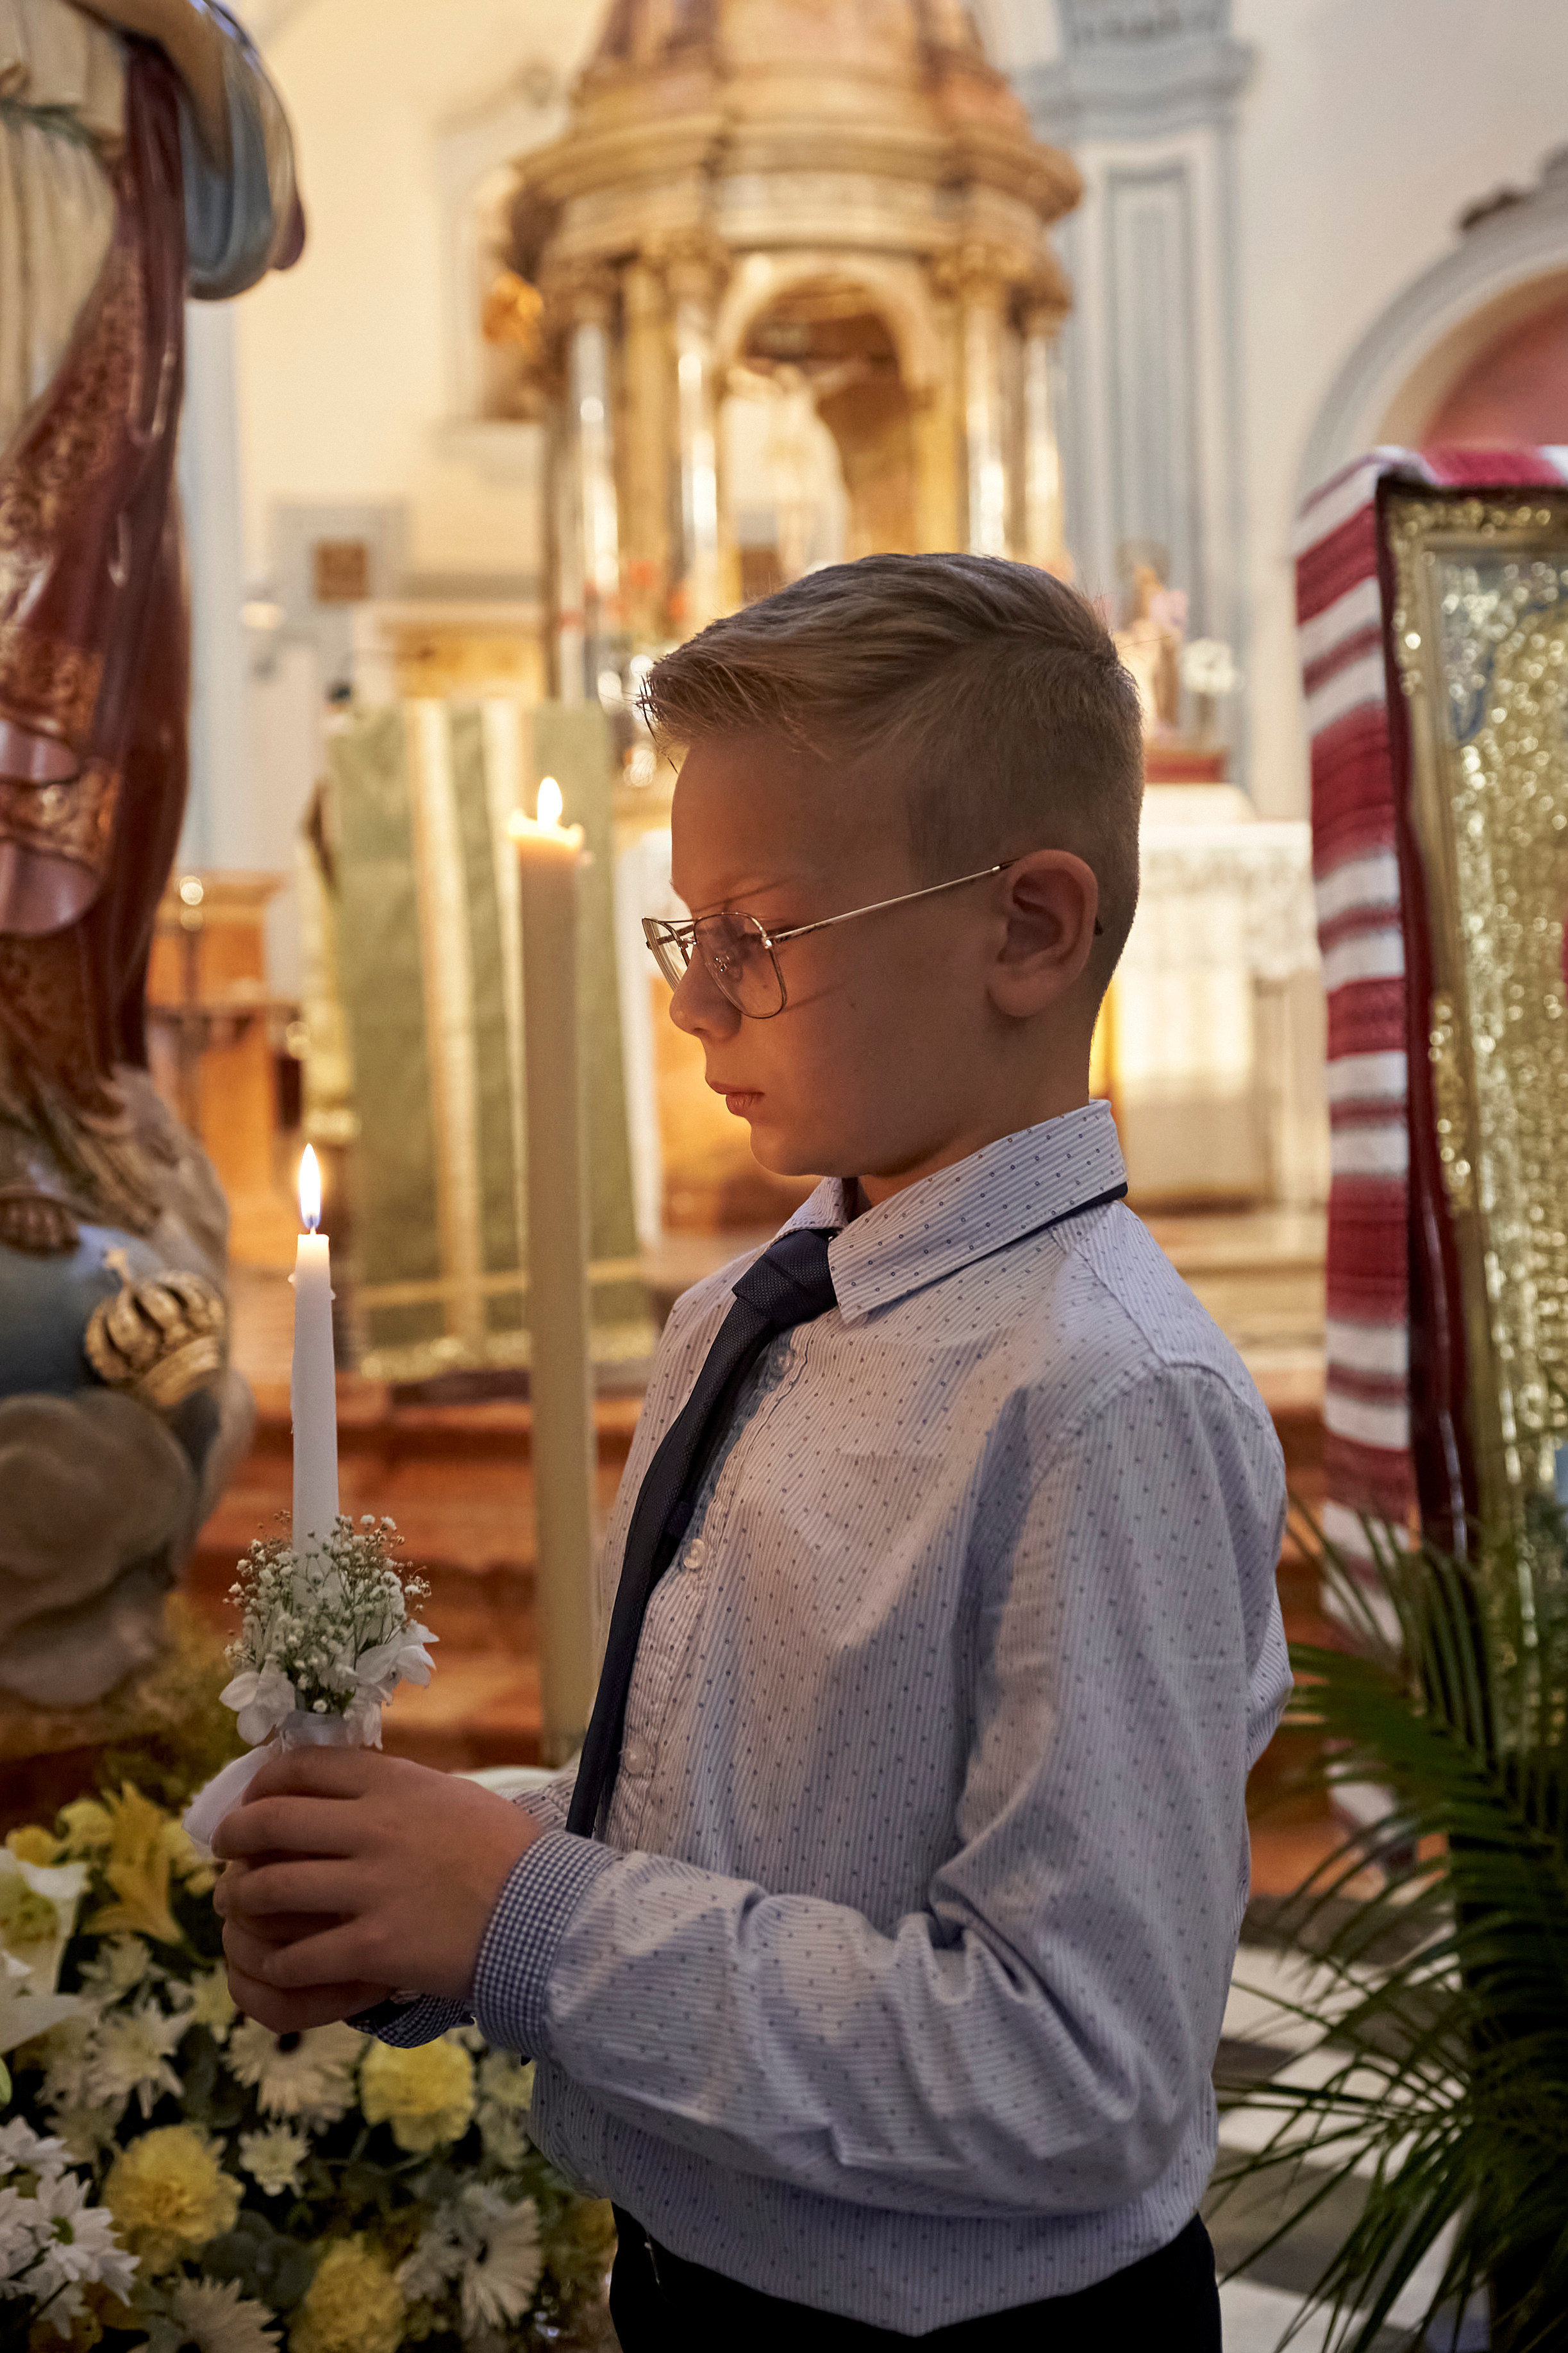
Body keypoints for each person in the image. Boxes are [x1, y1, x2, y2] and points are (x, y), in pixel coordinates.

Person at [214, 553, 1290, 2349]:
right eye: (684, 933)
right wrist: (412, 1893)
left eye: (757, 936)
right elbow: (704, 1834)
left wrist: (523, 1915)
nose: (693, 1003)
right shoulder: (749, 1305)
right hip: (689, 2272)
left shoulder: (1104, 1399)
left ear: (1028, 927)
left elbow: (1073, 2064)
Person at [0, 0, 301, 1253]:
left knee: (114, 723)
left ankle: (50, 1097)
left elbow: (240, 225)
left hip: (102, 344)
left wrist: (171, 28)